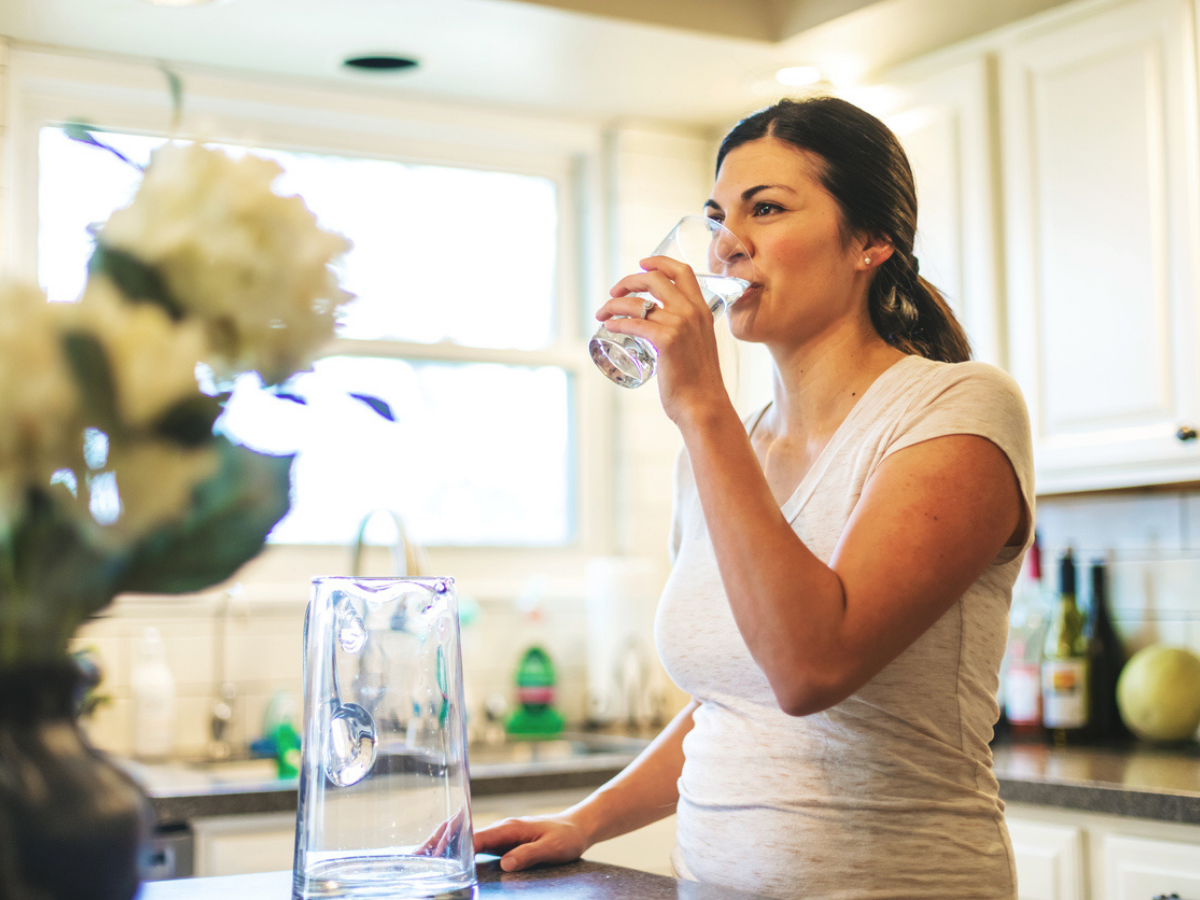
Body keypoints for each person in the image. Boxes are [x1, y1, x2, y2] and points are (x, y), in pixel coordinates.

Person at [474, 95, 1033, 900]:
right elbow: (731, 707)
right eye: (716, 215)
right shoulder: (726, 449)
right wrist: (586, 821)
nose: (726, 242)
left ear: (870, 242)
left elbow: (810, 669)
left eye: (765, 209)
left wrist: (702, 410)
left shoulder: (959, 408)